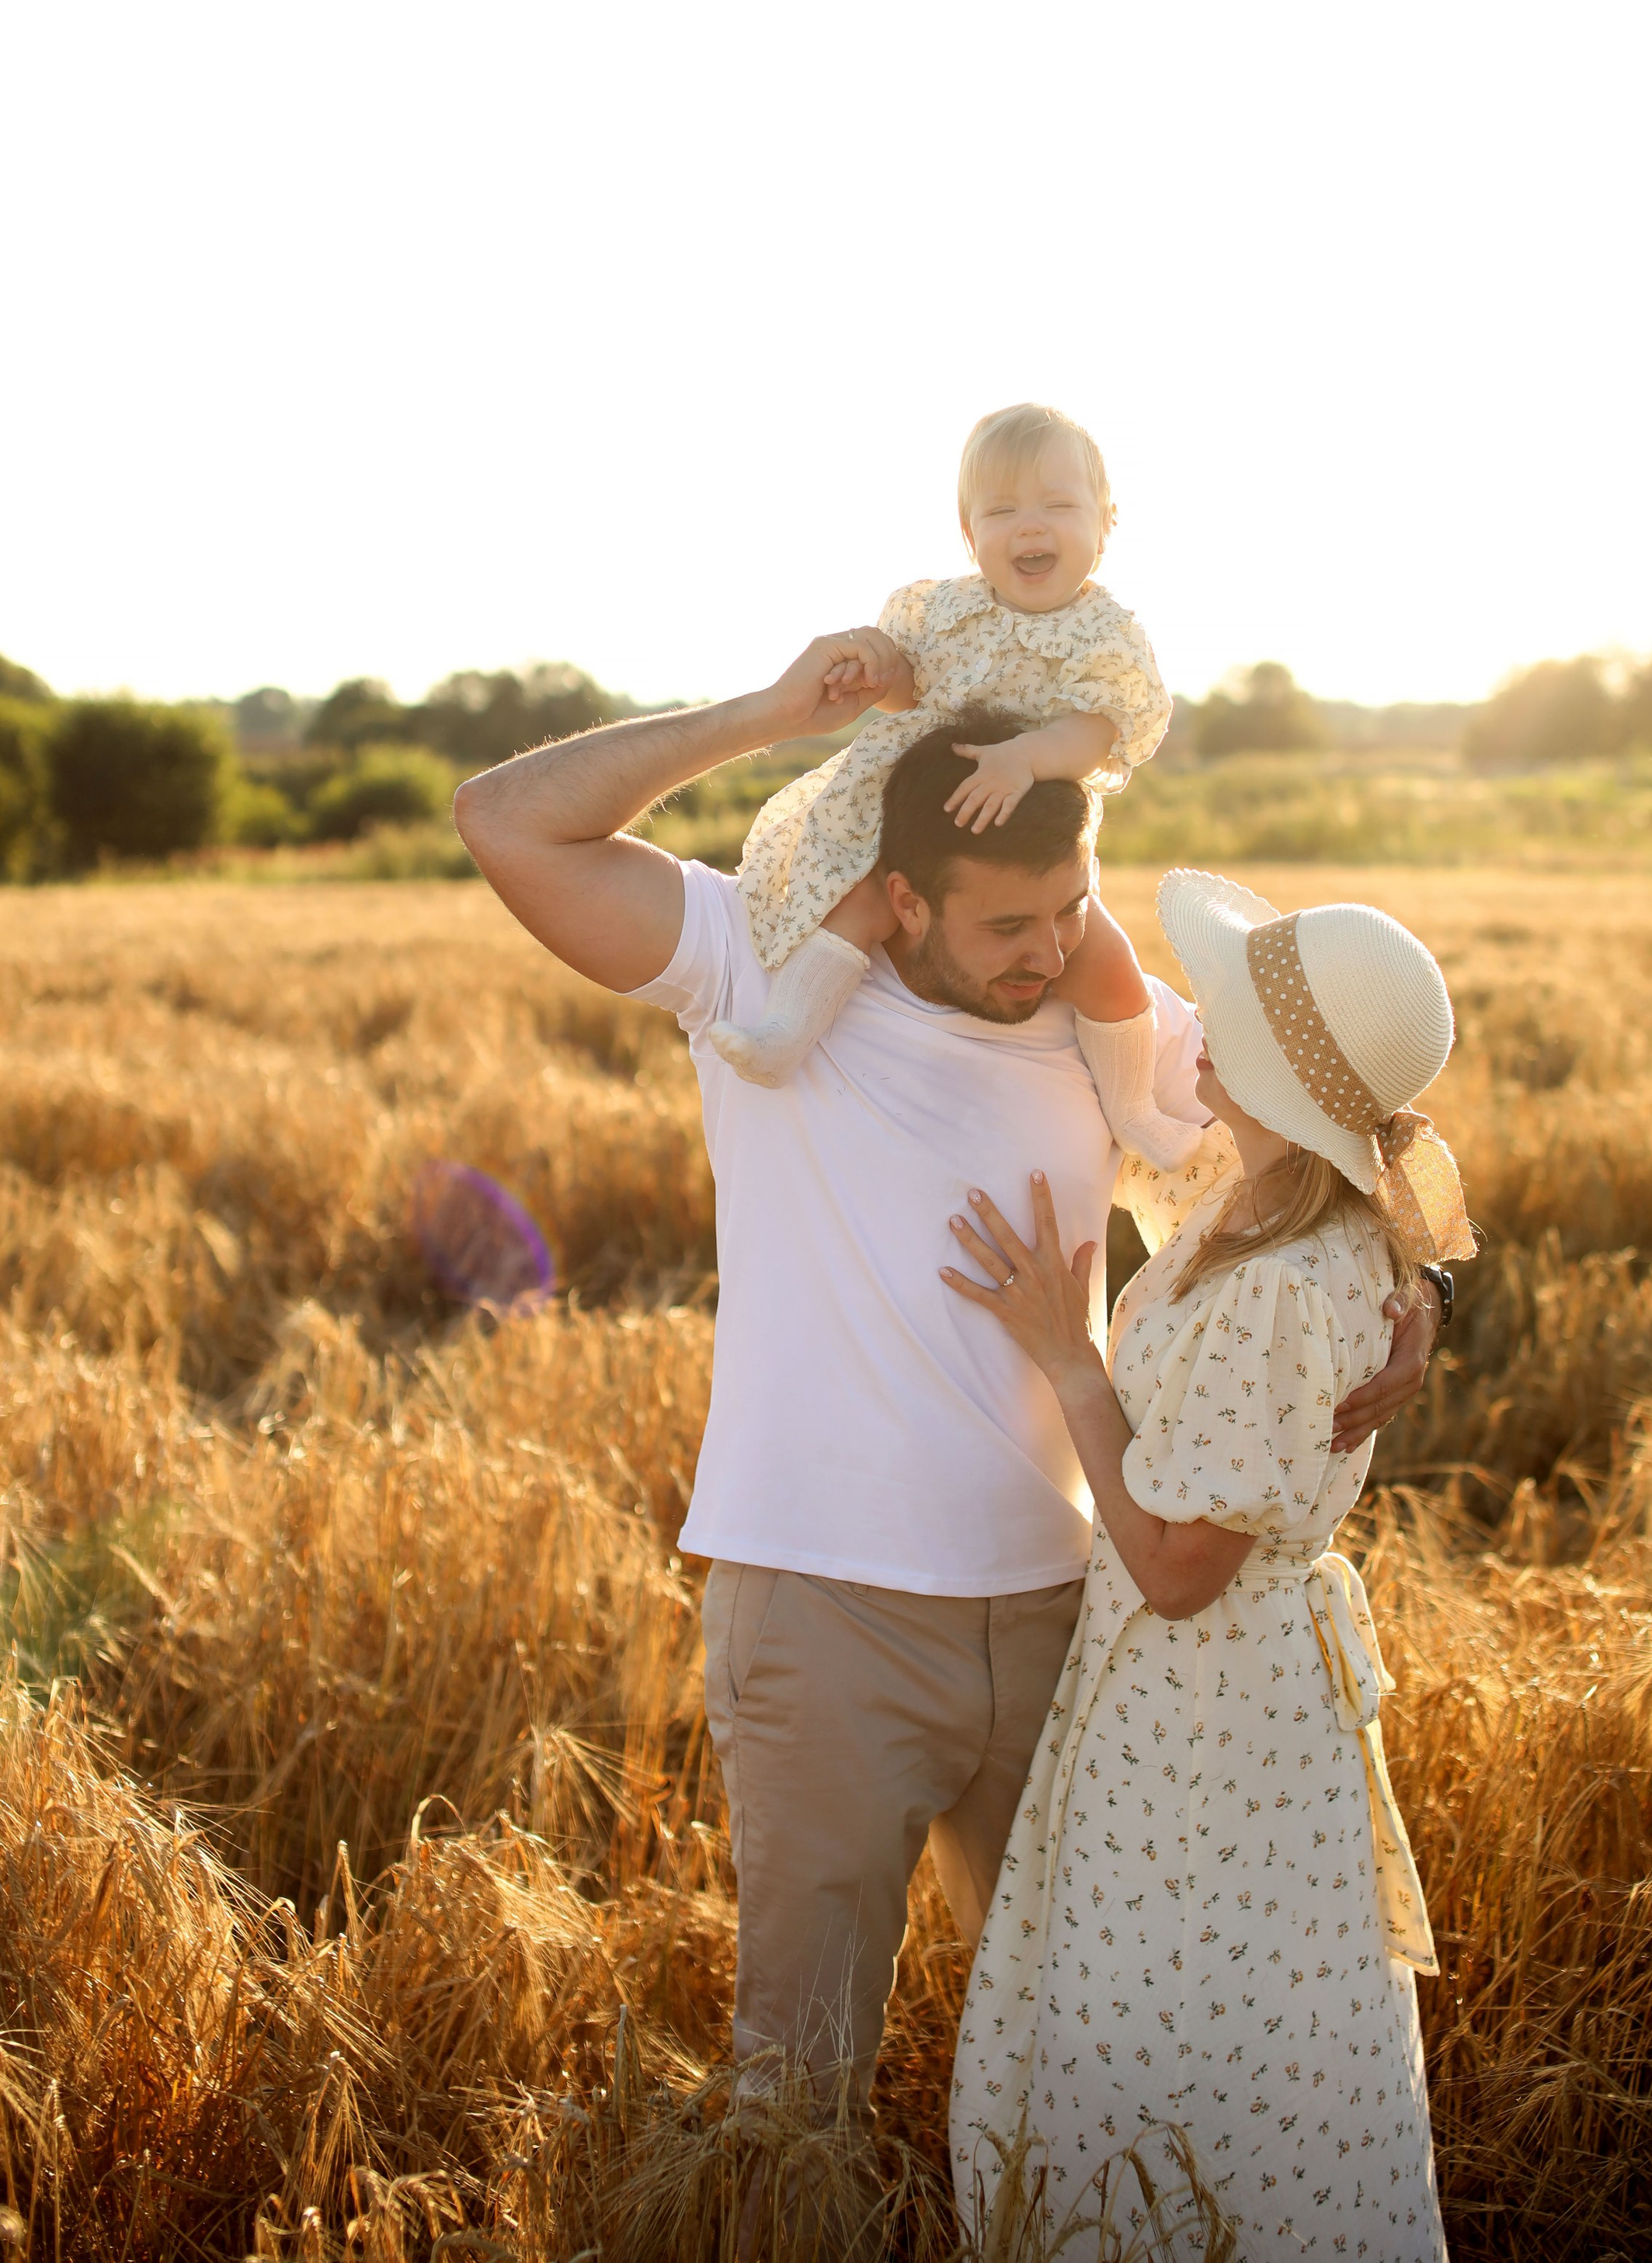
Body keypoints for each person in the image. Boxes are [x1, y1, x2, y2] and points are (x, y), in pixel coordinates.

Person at [454, 652, 1452, 2119]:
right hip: (826, 1608)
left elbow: (1328, 1135)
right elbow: (506, 823)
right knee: (799, 2081)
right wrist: (769, 717)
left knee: (1077, 2063)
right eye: (1007, 926)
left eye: (1071, 910)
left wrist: (1416, 1296)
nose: (1046, 952)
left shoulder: (1097, 1016)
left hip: (1070, 1614)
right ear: (903, 898)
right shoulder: (758, 965)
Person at [946, 871, 1470, 2259]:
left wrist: (1071, 1364)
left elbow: (1182, 1572)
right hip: (1210, 1701)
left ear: (1286, 1076)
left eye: (1232, 1011)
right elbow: (1104, 962)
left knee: (1180, 2036)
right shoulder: (1259, 1197)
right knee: (1222, 2027)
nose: (1201, 1018)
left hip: (1208, 1715)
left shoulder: (1284, 1283)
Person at [709, 400, 1200, 1167]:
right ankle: (784, 1033)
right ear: (970, 534)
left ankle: (1134, 1109)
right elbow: (915, 691)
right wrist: (882, 675)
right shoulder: (944, 611)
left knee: (1103, 961)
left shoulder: (1105, 634)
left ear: (1106, 525)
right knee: (861, 903)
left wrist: (1027, 757)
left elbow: (1097, 730)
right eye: (1002, 511)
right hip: (922, 814)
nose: (1030, 526)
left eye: (1058, 505)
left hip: (1031, 843)